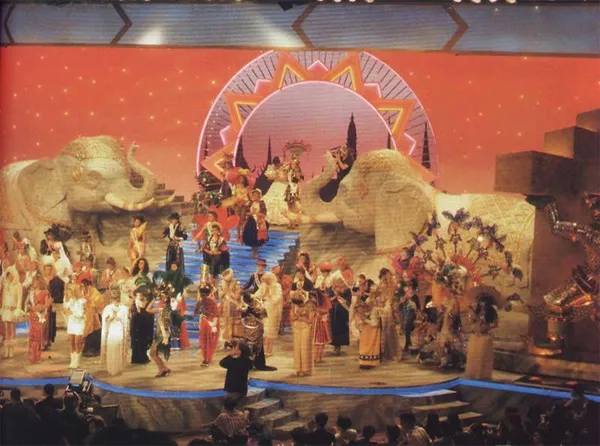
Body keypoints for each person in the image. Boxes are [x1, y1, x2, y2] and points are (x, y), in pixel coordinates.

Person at [465, 293, 498, 380]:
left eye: (484, 301)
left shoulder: (491, 311)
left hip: (484, 337)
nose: (482, 303)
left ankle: (481, 376)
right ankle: (472, 375)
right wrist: (472, 313)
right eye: (480, 301)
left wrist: (487, 327)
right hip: (475, 336)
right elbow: (472, 322)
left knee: (482, 357)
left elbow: (495, 324)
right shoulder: (476, 310)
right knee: (473, 356)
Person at [241, 293, 276, 371]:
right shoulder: (254, 305)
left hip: (252, 328)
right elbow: (263, 315)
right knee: (253, 346)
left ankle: (254, 364)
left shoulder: (256, 303)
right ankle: (255, 364)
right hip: (250, 328)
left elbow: (263, 314)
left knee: (254, 346)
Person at [100, 284, 130, 376]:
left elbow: (125, 321)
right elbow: (106, 320)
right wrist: (112, 316)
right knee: (111, 348)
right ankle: (111, 368)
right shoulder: (108, 308)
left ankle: (118, 368)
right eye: (114, 299)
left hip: (119, 330)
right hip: (111, 330)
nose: (116, 301)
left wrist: (118, 318)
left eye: (117, 299)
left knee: (118, 348)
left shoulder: (124, 308)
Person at [253, 271, 283, 357]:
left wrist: (269, 294)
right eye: (265, 280)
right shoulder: (264, 285)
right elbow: (256, 295)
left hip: (273, 310)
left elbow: (277, 298)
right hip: (265, 309)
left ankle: (269, 349)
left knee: (271, 331)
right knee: (265, 331)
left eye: (267, 280)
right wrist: (258, 300)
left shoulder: (277, 286)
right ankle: (265, 349)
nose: (266, 282)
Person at [148, 284, 174, 377]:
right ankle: (163, 368)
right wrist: (154, 299)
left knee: (152, 353)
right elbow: (148, 309)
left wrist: (165, 336)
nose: (161, 299)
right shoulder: (161, 309)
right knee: (153, 353)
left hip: (163, 334)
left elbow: (168, 324)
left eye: (162, 297)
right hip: (159, 333)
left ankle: (162, 369)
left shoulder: (166, 310)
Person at [26, 274, 51, 364]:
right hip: (32, 315)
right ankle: (32, 357)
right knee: (32, 336)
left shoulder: (45, 292)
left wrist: (40, 307)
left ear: (40, 282)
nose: (34, 283)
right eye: (33, 281)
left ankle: (37, 358)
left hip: (40, 316)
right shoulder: (31, 292)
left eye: (36, 281)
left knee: (38, 337)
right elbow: (27, 303)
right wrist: (29, 307)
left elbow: (47, 305)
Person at [290, 289, 316, 377]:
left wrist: (300, 317)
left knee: (305, 348)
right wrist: (298, 317)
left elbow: (310, 321)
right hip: (296, 327)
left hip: (306, 328)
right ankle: (298, 369)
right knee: (297, 348)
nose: (298, 305)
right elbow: (292, 318)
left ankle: (305, 370)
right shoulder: (294, 305)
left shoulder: (310, 305)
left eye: (299, 303)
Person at [355, 288, 382, 369]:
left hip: (373, 324)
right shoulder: (367, 300)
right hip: (367, 325)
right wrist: (366, 319)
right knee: (367, 342)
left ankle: (371, 361)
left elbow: (377, 313)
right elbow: (362, 312)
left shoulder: (376, 301)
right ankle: (366, 361)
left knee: (373, 342)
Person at [1, 265, 24, 358]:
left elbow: (19, 299)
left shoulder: (18, 285)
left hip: (13, 310)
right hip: (6, 309)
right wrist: (3, 309)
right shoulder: (6, 285)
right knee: (6, 330)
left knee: (12, 330)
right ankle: (7, 349)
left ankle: (12, 350)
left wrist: (17, 309)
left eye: (11, 275)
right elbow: (4, 299)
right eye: (8, 275)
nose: (9, 276)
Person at [196, 281, 220, 367]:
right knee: (203, 341)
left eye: (204, 294)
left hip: (211, 323)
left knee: (209, 342)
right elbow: (197, 312)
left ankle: (207, 359)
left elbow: (216, 314)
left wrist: (214, 325)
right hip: (204, 322)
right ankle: (205, 358)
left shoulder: (212, 302)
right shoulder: (200, 302)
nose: (202, 296)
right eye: (201, 294)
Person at [63, 282, 87, 369]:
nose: (68, 293)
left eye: (69, 291)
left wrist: (71, 312)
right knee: (72, 342)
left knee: (77, 342)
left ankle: (77, 361)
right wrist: (67, 311)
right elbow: (65, 311)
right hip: (72, 323)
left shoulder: (81, 301)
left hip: (79, 323)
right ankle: (72, 361)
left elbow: (80, 314)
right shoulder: (69, 302)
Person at [80, 274, 105, 357]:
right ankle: (87, 349)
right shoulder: (83, 291)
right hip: (87, 315)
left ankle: (94, 349)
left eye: (83, 286)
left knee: (94, 334)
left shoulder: (94, 291)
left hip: (95, 316)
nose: (82, 287)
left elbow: (98, 303)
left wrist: (89, 301)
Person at [379, 268, 400, 361]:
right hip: (384, 309)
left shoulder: (392, 285)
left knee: (390, 330)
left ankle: (391, 352)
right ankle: (385, 352)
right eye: (388, 274)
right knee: (384, 330)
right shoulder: (381, 285)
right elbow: (380, 298)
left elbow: (393, 292)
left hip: (388, 308)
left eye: (390, 274)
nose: (390, 276)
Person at [218, 268, 243, 348]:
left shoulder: (236, 283)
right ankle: (225, 341)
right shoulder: (222, 283)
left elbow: (237, 296)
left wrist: (228, 290)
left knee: (234, 325)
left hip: (233, 306)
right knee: (224, 324)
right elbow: (219, 295)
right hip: (224, 307)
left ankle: (234, 342)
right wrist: (223, 290)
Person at [130, 287, 154, 364]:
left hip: (144, 323)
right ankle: (136, 358)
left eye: (141, 295)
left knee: (143, 340)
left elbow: (148, 313)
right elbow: (134, 311)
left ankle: (143, 357)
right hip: (136, 323)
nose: (140, 297)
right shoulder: (135, 302)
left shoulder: (146, 302)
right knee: (136, 340)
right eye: (138, 295)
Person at [242, 189, 269, 259]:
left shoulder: (261, 203)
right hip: (251, 221)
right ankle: (253, 251)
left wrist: (257, 213)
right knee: (251, 236)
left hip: (259, 221)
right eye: (254, 195)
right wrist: (251, 213)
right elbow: (246, 212)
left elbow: (264, 213)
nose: (255, 196)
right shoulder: (250, 203)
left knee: (257, 237)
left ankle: (256, 252)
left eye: (256, 195)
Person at [329, 273, 351, 356]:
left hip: (342, 312)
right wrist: (335, 296)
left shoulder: (347, 289)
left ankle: (339, 347)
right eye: (336, 281)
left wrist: (340, 296)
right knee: (334, 329)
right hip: (333, 312)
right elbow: (328, 299)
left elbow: (348, 301)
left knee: (341, 329)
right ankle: (335, 346)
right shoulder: (331, 289)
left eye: (339, 281)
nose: (337, 283)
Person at [313, 288, 332, 363]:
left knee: (321, 340)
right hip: (317, 321)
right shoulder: (316, 298)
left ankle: (318, 357)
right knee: (317, 341)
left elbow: (327, 310)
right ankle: (316, 357)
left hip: (322, 321)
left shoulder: (324, 298)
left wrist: (317, 310)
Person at [273, 265, 293, 334]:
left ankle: (286, 329)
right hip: (278, 298)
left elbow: (289, 288)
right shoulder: (274, 279)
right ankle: (279, 328)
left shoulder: (288, 278)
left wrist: (283, 295)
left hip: (286, 298)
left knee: (286, 313)